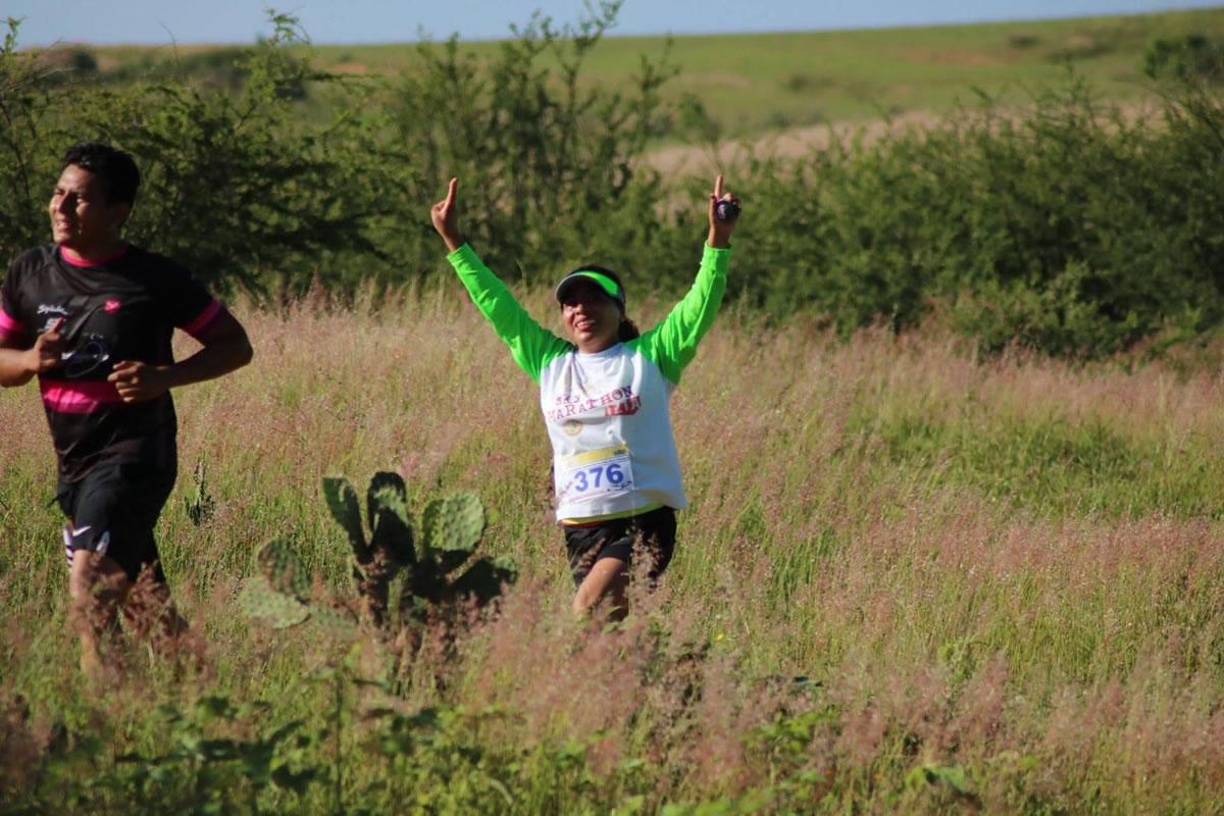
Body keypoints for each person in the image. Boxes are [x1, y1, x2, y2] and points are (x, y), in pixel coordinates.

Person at [430, 175, 739, 618]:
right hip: (579, 527)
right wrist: (455, 242)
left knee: (585, 612)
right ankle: (654, 682)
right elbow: (498, 306)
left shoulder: (651, 356)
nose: (581, 308)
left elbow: (699, 305)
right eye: (570, 302)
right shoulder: (551, 363)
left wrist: (717, 241)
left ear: (619, 309)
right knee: (606, 634)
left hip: (642, 522)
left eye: (594, 298)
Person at [0, 142, 253, 677]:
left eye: (81, 199)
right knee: (147, 611)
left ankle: (109, 726)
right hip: (74, 463)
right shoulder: (29, 273)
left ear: (119, 213)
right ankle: (210, 695)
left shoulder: (154, 279)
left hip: (136, 456)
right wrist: (26, 359)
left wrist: (166, 376)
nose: (61, 208)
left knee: (89, 590)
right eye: (58, 193)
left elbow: (235, 345)